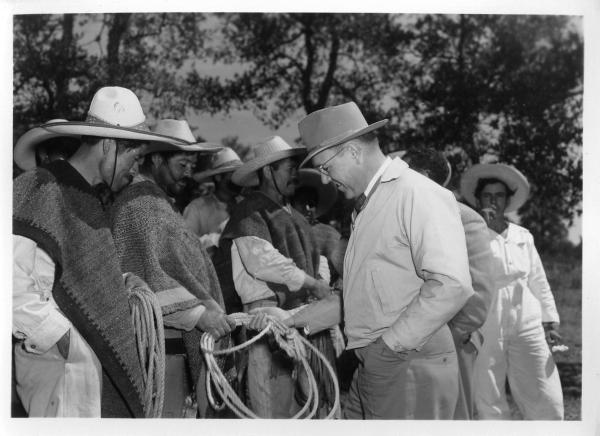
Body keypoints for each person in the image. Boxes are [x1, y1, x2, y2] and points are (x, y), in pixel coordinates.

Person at [12, 86, 188, 417]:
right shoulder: (43, 187)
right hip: (63, 376)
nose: (135, 170)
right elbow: (12, 280)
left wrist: (118, 280)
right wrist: (59, 337)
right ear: (108, 145)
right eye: (134, 157)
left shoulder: (86, 198)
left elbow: (74, 272)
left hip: (83, 371)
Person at [298, 102, 474, 420]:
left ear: (352, 151)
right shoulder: (367, 206)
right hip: (376, 363)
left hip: (408, 362)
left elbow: (452, 284)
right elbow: (356, 298)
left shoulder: (416, 193)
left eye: (325, 168)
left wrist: (388, 349)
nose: (324, 181)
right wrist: (287, 321)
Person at [109, 119, 236, 417]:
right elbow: (148, 278)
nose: (188, 172)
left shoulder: (156, 204)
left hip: (169, 340)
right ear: (156, 159)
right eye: (182, 163)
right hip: (162, 345)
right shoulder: (142, 206)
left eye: (191, 164)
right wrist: (200, 314)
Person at [213, 136, 339, 418]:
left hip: (301, 322)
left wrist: (321, 285)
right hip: (265, 323)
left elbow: (316, 260)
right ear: (268, 171)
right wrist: (314, 285)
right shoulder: (249, 211)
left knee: (308, 407)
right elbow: (262, 261)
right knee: (273, 410)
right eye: (288, 168)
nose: (295, 174)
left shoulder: (295, 216)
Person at [461, 163, 564, 420]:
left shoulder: (523, 235)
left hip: (526, 316)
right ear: (477, 199)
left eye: (499, 195)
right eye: (487, 195)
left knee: (542, 384)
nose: (493, 201)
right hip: (486, 317)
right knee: (487, 388)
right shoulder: (469, 234)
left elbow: (538, 279)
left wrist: (549, 320)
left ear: (507, 201)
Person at [402, 146, 496, 419]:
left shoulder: (466, 219)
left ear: (425, 175)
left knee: (454, 416)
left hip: (454, 345)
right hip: (408, 348)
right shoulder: (402, 218)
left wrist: (448, 337)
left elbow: (479, 295)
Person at [183, 147, 244, 250]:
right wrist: (219, 239)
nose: (238, 180)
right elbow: (186, 245)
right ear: (218, 177)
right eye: (233, 174)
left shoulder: (245, 205)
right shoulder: (197, 208)